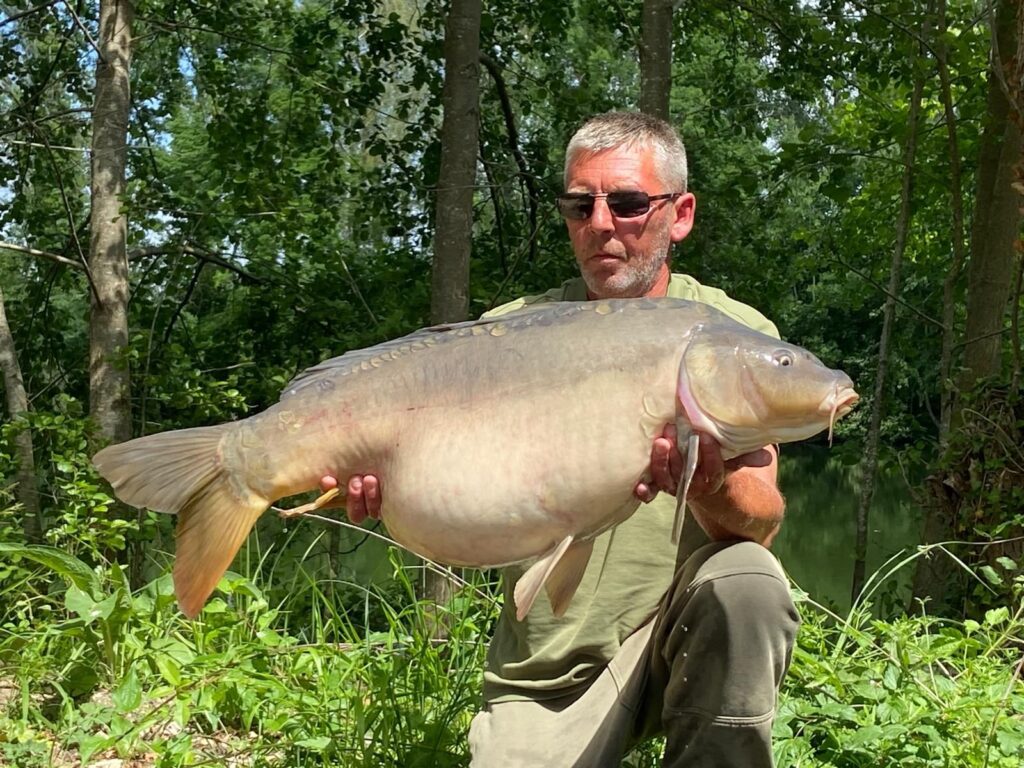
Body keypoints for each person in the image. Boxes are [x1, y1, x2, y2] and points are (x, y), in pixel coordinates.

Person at [322, 112, 799, 767]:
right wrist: (392, 484)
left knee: (748, 581)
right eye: (580, 205)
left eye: (627, 203)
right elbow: (467, 503)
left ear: (680, 214)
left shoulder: (730, 334)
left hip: (680, 634)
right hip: (547, 673)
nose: (600, 223)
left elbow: (761, 521)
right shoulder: (507, 334)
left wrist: (705, 482)